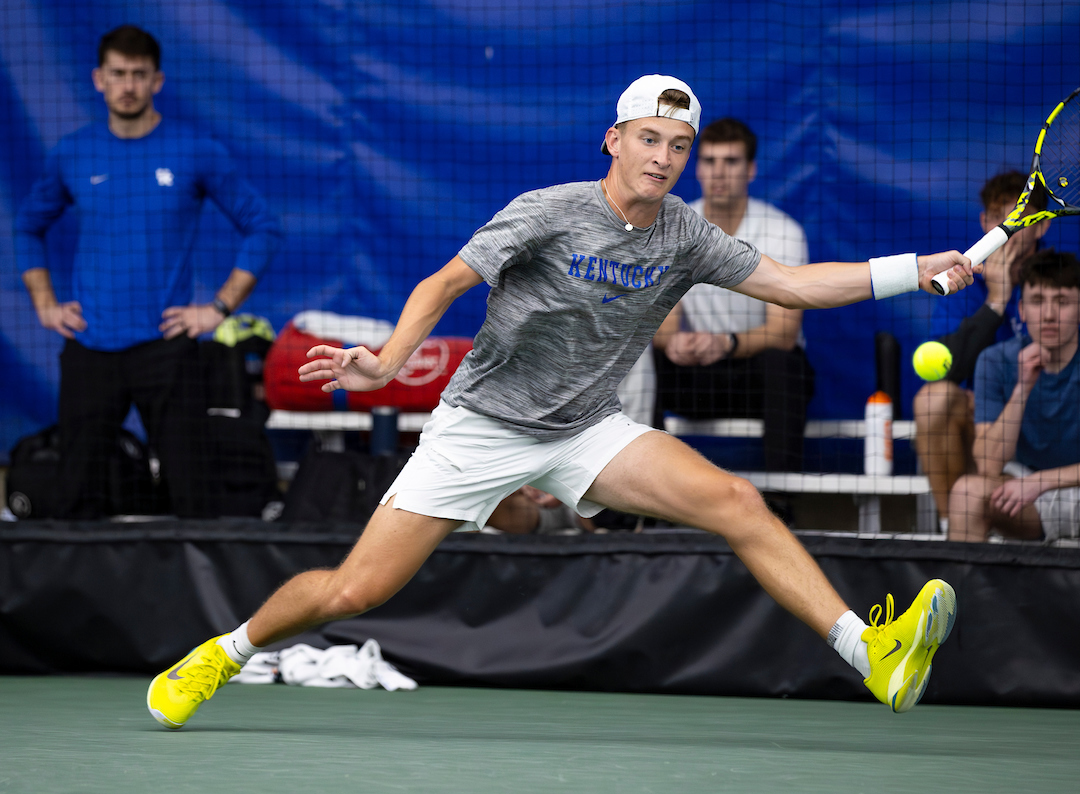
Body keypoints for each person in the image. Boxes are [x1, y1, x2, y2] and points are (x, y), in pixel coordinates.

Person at [148, 74, 973, 727]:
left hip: (586, 428)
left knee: (736, 501)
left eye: (678, 145)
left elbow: (792, 284)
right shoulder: (548, 212)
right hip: (480, 427)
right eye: (650, 138)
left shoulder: (684, 233)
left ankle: (871, 654)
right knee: (353, 593)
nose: (664, 157)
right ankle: (225, 650)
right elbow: (444, 283)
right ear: (614, 139)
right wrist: (388, 361)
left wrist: (915, 266)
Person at [14, 25, 282, 518]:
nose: (128, 85)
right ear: (98, 79)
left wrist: (218, 308)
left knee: (194, 495)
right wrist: (44, 304)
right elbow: (27, 227)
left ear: (157, 80)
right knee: (75, 496)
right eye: (118, 74)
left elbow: (262, 227)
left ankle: (198, 596)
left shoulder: (195, 150)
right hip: (90, 348)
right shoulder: (73, 153)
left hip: (168, 350)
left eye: (139, 74)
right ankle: (79, 596)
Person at [947, 250, 1080, 549]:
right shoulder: (994, 360)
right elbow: (988, 465)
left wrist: (1040, 483)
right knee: (966, 494)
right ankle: (961, 596)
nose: (1050, 314)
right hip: (1024, 496)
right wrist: (1023, 387)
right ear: (1022, 310)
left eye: (1063, 302)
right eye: (1038, 301)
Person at [650, 117, 813, 471]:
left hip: (757, 381)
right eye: (709, 161)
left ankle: (782, 503)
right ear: (698, 169)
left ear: (751, 170)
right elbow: (663, 322)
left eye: (731, 162)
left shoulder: (783, 231)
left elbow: (783, 334)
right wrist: (673, 343)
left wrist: (726, 343)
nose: (719, 173)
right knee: (641, 360)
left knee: (785, 364)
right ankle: (634, 504)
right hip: (696, 378)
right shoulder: (673, 226)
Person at [913, 171, 1050, 532]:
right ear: (984, 223)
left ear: (1042, 226)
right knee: (934, 399)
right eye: (997, 217)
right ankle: (952, 525)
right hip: (982, 431)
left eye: (1019, 217)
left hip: (1044, 424)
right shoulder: (959, 280)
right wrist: (996, 302)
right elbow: (945, 368)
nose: (1007, 227)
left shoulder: (1060, 282)